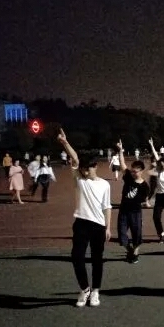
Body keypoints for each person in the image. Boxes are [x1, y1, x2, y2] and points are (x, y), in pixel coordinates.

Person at [58, 129, 112, 308]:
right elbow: (75, 159)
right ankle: (84, 289)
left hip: (98, 225)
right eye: (83, 168)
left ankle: (96, 290)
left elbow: (107, 207)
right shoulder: (79, 179)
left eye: (88, 168)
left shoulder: (105, 185)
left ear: (95, 166)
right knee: (76, 257)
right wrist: (65, 143)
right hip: (81, 223)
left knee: (97, 259)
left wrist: (108, 227)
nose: (85, 171)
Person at [116, 140, 150, 264]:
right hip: (123, 211)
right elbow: (122, 164)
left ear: (141, 171)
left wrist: (146, 204)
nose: (133, 173)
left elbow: (144, 201)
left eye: (135, 171)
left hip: (135, 213)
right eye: (132, 171)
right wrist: (120, 150)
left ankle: (135, 252)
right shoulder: (128, 178)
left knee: (137, 234)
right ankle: (130, 250)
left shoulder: (145, 186)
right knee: (122, 234)